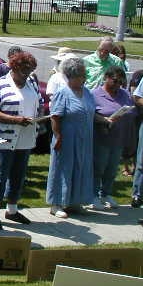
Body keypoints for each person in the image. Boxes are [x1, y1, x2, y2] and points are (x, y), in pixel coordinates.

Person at [0, 51, 42, 229]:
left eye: (30, 71)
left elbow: (39, 103)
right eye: (23, 71)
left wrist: (38, 117)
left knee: (18, 174)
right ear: (14, 67)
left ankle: (12, 209)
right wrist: (16, 120)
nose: (26, 75)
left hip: (25, 137)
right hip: (5, 137)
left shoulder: (31, 83)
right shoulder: (0, 84)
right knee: (0, 174)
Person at [47, 57, 95, 218]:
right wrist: (58, 136)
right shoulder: (63, 93)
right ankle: (56, 204)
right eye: (82, 75)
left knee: (81, 167)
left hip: (84, 138)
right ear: (72, 76)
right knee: (63, 169)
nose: (85, 77)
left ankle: (75, 202)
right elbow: (55, 116)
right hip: (66, 137)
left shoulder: (87, 92)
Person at [91, 66, 134, 210]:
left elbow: (131, 109)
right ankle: (94, 195)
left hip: (118, 138)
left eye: (120, 82)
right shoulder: (95, 95)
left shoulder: (124, 94)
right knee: (98, 167)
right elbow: (90, 114)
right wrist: (103, 120)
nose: (117, 85)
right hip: (101, 137)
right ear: (106, 78)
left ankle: (106, 194)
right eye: (115, 81)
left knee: (112, 168)